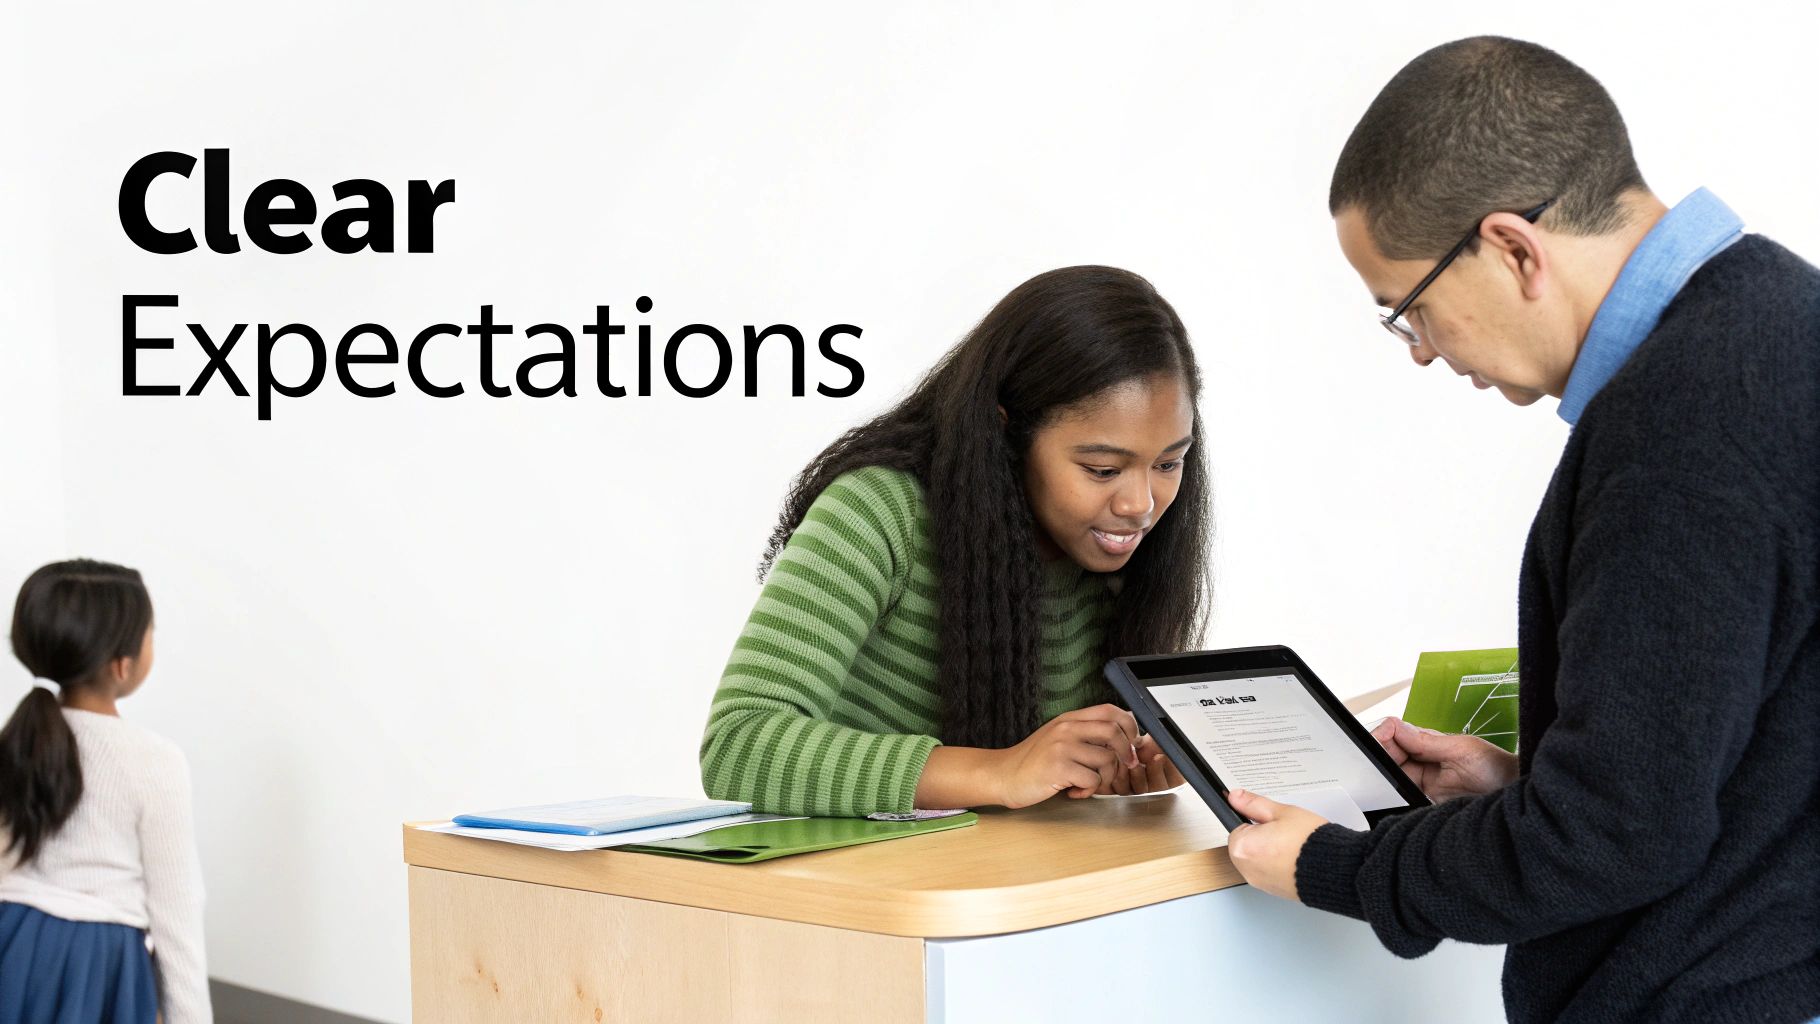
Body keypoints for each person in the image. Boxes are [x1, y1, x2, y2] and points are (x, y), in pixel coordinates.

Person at [1223, 36, 1820, 1023]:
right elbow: (1737, 753)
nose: (1418, 351)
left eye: (1406, 309)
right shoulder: (1782, 319)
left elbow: (1615, 835)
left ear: (1509, 248)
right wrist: (1521, 786)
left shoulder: (1679, 421)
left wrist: (1338, 864)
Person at [700, 265, 1204, 815]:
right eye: (1103, 469)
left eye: (1168, 462)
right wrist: (1001, 770)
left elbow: (1023, 796)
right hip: (858, 886)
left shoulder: (1122, 562)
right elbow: (738, 744)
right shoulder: (881, 511)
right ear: (1007, 434)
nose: (1141, 503)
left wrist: (1109, 768)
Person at [0, 560, 211, 1024]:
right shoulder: (153, 759)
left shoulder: (14, 740)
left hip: (11, 941)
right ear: (122, 663)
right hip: (97, 963)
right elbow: (177, 910)